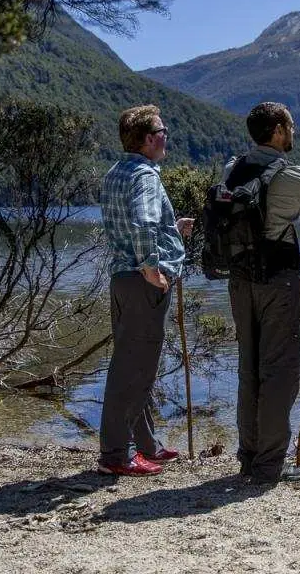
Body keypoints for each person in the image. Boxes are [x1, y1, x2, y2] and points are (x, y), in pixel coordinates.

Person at [224, 101, 300, 484]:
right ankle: (270, 464)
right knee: (280, 371)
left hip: (239, 281)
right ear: (276, 131)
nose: (294, 130)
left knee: (248, 367)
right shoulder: (295, 176)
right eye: (290, 125)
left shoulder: (232, 170)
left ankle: (248, 457)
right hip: (279, 282)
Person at [97, 104, 194, 476]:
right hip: (141, 282)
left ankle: (147, 446)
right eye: (163, 131)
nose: (166, 137)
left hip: (122, 280)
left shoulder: (116, 172)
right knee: (134, 370)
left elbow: (133, 223)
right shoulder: (145, 176)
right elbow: (141, 223)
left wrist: (172, 225)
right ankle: (116, 457)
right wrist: (152, 268)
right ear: (150, 139)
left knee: (133, 364)